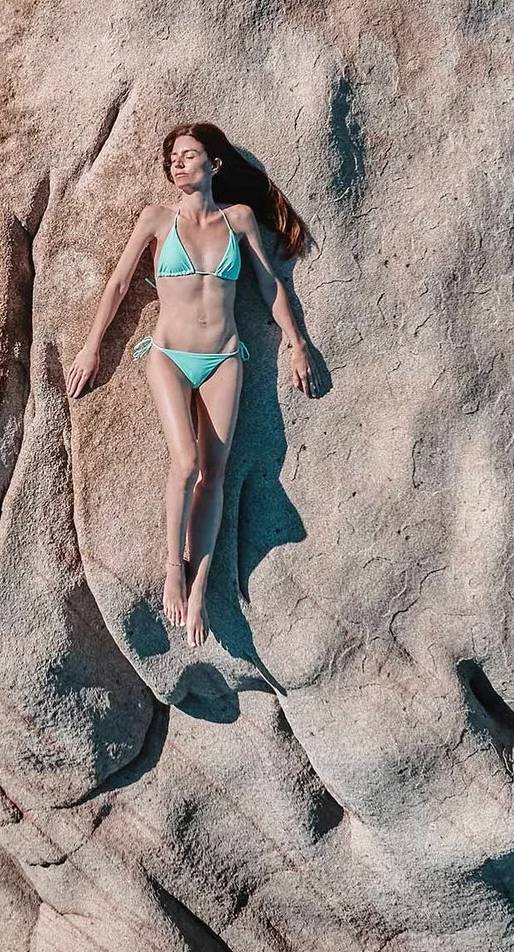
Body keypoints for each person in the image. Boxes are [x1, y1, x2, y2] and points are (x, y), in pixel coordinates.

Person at [65, 123, 324, 646]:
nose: (178, 164)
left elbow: (269, 284)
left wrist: (297, 343)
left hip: (225, 357)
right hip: (169, 356)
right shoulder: (157, 219)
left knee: (215, 472)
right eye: (173, 159)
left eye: (189, 155)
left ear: (215, 164)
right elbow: (118, 284)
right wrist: (92, 346)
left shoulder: (240, 219)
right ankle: (171, 567)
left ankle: (200, 584)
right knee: (184, 462)